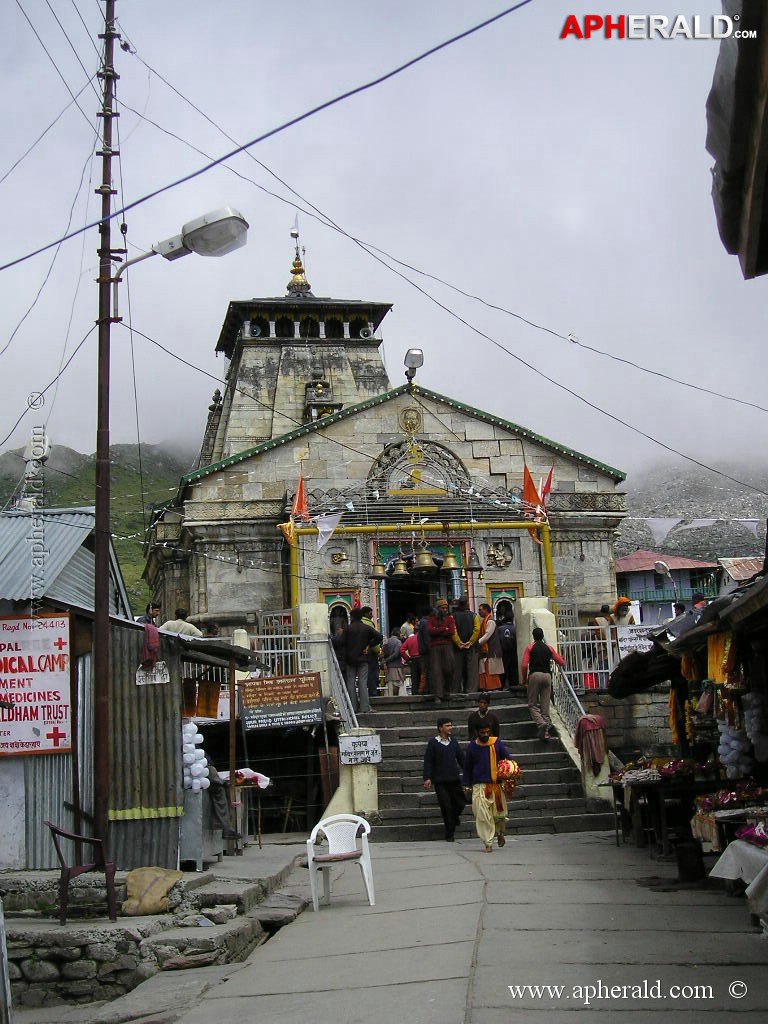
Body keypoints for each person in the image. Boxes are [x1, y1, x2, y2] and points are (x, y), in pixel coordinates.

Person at [463, 722, 511, 852]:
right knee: (482, 815)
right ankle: (488, 843)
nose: (485, 735)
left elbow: (508, 760)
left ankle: (500, 833)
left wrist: (509, 776)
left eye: (487, 732)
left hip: (496, 785)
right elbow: (467, 767)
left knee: (499, 815)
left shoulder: (497, 743)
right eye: (482, 732)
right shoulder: (472, 747)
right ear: (476, 733)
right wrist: (466, 786)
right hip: (479, 786)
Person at [423, 717, 466, 842]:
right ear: (440, 728)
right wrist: (427, 777)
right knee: (446, 807)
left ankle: (454, 818)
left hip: (454, 780)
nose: (450, 727)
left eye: (451, 725)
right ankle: (449, 833)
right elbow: (428, 761)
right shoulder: (433, 743)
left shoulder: (453, 742)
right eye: (447, 726)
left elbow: (461, 759)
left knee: (460, 803)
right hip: (441, 781)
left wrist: (469, 773)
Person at [521, 626, 565, 740]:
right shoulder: (549, 648)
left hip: (535, 675)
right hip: (547, 676)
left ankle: (541, 723)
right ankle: (545, 733)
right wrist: (563, 659)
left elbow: (524, 665)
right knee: (545, 706)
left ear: (533, 636)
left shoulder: (530, 647)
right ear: (542, 636)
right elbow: (560, 661)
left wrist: (524, 679)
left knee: (532, 704)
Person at [343, 607, 383, 714]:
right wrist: (369, 644)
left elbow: (341, 642)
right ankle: (365, 707)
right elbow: (379, 637)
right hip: (363, 658)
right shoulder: (366, 628)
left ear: (351, 617)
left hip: (350, 659)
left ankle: (353, 708)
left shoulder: (347, 629)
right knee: (363, 682)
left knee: (351, 682)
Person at [427, 598, 457, 702]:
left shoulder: (450, 618)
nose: (444, 609)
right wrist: (444, 629)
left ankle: (446, 691)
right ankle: (438, 695)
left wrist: (438, 630)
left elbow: (452, 631)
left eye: (445, 607)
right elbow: (430, 631)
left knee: (449, 669)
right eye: (442, 608)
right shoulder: (431, 619)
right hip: (435, 647)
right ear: (438, 608)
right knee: (436, 671)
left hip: (447, 646)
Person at [452, 597, 481, 693]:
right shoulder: (474, 616)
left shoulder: (453, 616)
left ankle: (455, 690)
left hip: (457, 648)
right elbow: (477, 630)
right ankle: (471, 691)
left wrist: (459, 642)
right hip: (471, 647)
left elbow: (453, 631)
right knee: (472, 671)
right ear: (467, 604)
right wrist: (470, 642)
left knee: (457, 671)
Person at [477, 603, 503, 691]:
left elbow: (487, 635)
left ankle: (493, 687)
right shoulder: (485, 620)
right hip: (486, 651)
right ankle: (486, 687)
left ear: (486, 610)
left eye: (480, 609)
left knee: (491, 671)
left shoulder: (490, 621)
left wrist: (477, 643)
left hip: (491, 651)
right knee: (485, 670)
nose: (479, 611)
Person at [361, 606, 382, 701]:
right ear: (365, 614)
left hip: (360, 653)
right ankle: (373, 692)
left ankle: (364, 693)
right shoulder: (369, 624)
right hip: (370, 653)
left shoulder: (358, 623)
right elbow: (375, 638)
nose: (372, 615)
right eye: (370, 613)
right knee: (372, 673)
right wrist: (378, 651)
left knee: (363, 674)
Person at [381, 627, 408, 696]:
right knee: (399, 686)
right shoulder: (398, 642)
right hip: (397, 666)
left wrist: (385, 661)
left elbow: (383, 654)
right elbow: (396, 654)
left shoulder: (387, 641)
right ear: (398, 634)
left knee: (390, 686)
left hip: (389, 667)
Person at [497, 612, 518, 688]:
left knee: (503, 670)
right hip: (513, 652)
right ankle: (513, 685)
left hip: (503, 652)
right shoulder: (515, 628)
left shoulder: (500, 629)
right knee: (513, 670)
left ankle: (501, 686)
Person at [400, 628, 421, 695]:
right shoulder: (423, 638)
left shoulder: (410, 639)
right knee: (423, 677)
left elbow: (401, 650)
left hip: (413, 660)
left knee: (414, 678)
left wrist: (407, 659)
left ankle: (414, 693)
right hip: (422, 659)